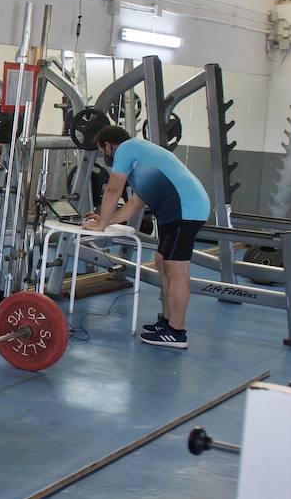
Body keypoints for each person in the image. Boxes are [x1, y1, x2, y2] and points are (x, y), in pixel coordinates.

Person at [84, 125, 210, 349]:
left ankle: (176, 331)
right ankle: (167, 321)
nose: (104, 156)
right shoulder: (139, 157)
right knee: (162, 260)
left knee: (177, 270)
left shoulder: (126, 149)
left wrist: (101, 225)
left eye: (101, 150)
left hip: (185, 210)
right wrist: (106, 219)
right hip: (176, 212)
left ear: (108, 145)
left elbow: (113, 190)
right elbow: (134, 204)